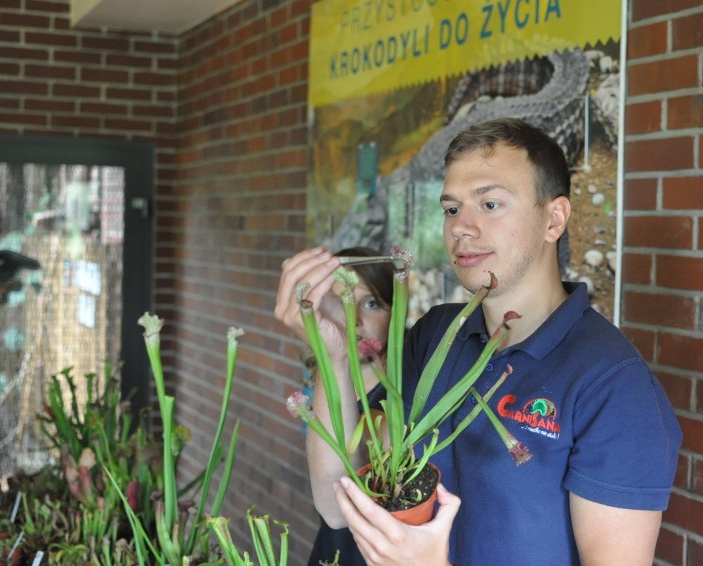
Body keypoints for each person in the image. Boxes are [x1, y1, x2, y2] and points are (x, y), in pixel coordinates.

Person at [276, 118, 682, 565]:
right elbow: (337, 506)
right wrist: (332, 358)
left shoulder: (614, 385)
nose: (461, 228)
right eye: (451, 209)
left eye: (490, 204)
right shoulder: (434, 337)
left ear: (554, 219)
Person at [300, 246, 395, 566]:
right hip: (331, 545)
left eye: (371, 303)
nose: (353, 320)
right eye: (339, 304)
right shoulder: (317, 380)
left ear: (397, 312)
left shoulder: (403, 390)